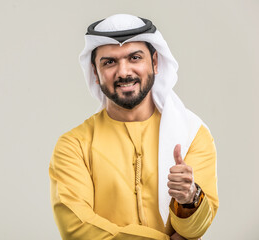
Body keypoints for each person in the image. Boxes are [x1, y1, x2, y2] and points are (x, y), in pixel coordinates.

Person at [49, 14, 218, 240]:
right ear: (96, 73)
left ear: (155, 62)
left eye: (135, 58)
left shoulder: (192, 134)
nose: (124, 72)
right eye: (109, 62)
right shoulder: (74, 146)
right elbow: (77, 230)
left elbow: (194, 231)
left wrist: (189, 199)